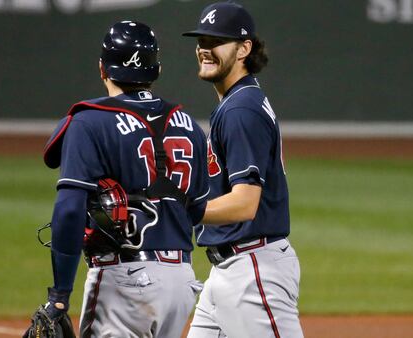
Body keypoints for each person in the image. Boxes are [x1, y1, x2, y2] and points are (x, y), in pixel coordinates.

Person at [24, 20, 209, 338]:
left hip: (123, 280)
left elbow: (69, 211)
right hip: (181, 281)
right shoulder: (190, 125)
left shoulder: (89, 122)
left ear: (102, 68)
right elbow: (197, 209)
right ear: (156, 69)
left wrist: (59, 298)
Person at [182, 2, 304, 338]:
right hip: (228, 272)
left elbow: (245, 203)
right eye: (201, 41)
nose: (205, 50)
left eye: (215, 41)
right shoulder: (238, 101)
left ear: (244, 49)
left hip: (253, 272)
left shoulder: (240, 110)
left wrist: (182, 210)